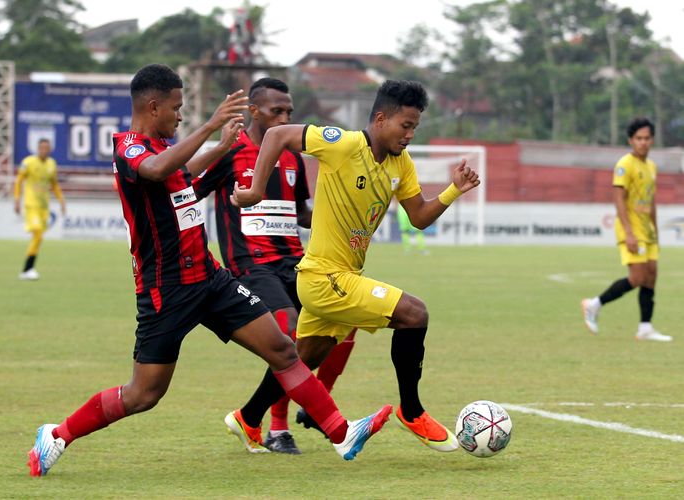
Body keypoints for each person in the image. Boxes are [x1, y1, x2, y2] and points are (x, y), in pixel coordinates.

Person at [25, 64, 392, 477]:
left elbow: (183, 172)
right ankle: (56, 435)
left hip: (210, 277)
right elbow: (156, 170)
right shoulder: (129, 146)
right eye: (176, 108)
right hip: (167, 289)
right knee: (144, 394)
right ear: (152, 106)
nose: (180, 115)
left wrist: (220, 146)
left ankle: (342, 434)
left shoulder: (166, 147)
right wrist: (210, 125)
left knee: (282, 349)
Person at [230, 80, 480, 453]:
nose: (410, 135)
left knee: (304, 358)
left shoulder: (401, 163)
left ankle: (248, 417)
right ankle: (412, 411)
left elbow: (419, 217)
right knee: (414, 313)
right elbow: (279, 134)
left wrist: (452, 190)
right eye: (405, 126)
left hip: (340, 279)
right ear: (380, 119)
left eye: (415, 128)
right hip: (323, 277)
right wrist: (254, 191)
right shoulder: (343, 143)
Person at [194, 77, 357, 454]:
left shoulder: (292, 157)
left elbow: (301, 213)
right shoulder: (232, 152)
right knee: (291, 333)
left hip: (294, 261)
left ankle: (308, 407)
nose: (284, 118)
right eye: (276, 111)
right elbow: (187, 187)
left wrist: (342, 214)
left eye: (289, 112)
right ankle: (277, 428)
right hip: (251, 264)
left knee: (347, 316)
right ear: (253, 111)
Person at [581, 117, 671, 342]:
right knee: (638, 276)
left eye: (647, 138)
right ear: (631, 140)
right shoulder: (625, 165)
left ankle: (645, 328)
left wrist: (656, 232)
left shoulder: (651, 167)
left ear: (652, 140)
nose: (643, 142)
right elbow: (619, 200)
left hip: (647, 231)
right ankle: (594, 305)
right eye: (638, 138)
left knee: (651, 276)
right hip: (631, 230)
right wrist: (629, 233)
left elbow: (650, 201)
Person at [13, 138, 66, 280]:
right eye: (41, 147)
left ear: (50, 150)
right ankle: (27, 269)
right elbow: (18, 181)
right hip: (31, 204)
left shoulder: (51, 164)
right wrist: (17, 200)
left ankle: (28, 269)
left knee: (38, 238)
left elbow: (54, 184)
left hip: (44, 207)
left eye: (46, 148)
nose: (44, 150)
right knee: (38, 234)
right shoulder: (28, 162)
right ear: (37, 148)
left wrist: (61, 201)